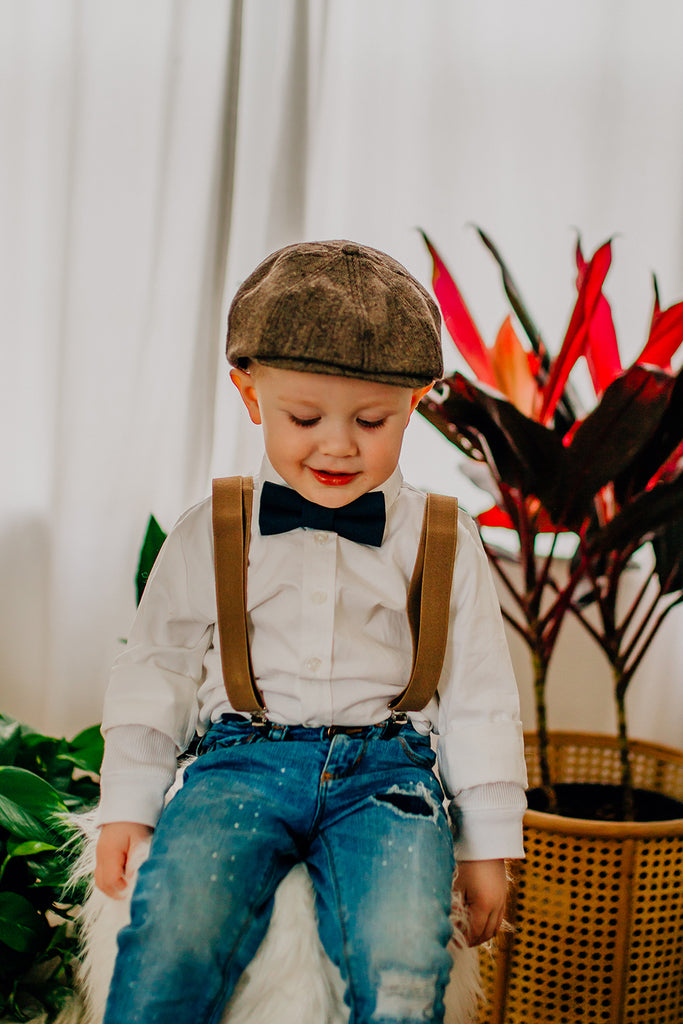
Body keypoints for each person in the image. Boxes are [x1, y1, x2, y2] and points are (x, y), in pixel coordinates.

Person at [95, 240, 527, 1024]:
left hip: (388, 777)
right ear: (250, 393)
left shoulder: (442, 538)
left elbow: (479, 695)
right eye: (304, 417)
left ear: (419, 402)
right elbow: (153, 666)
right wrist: (127, 800)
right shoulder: (213, 530)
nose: (336, 445)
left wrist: (487, 842)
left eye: (370, 420)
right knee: (172, 932)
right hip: (240, 765)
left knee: (402, 961)